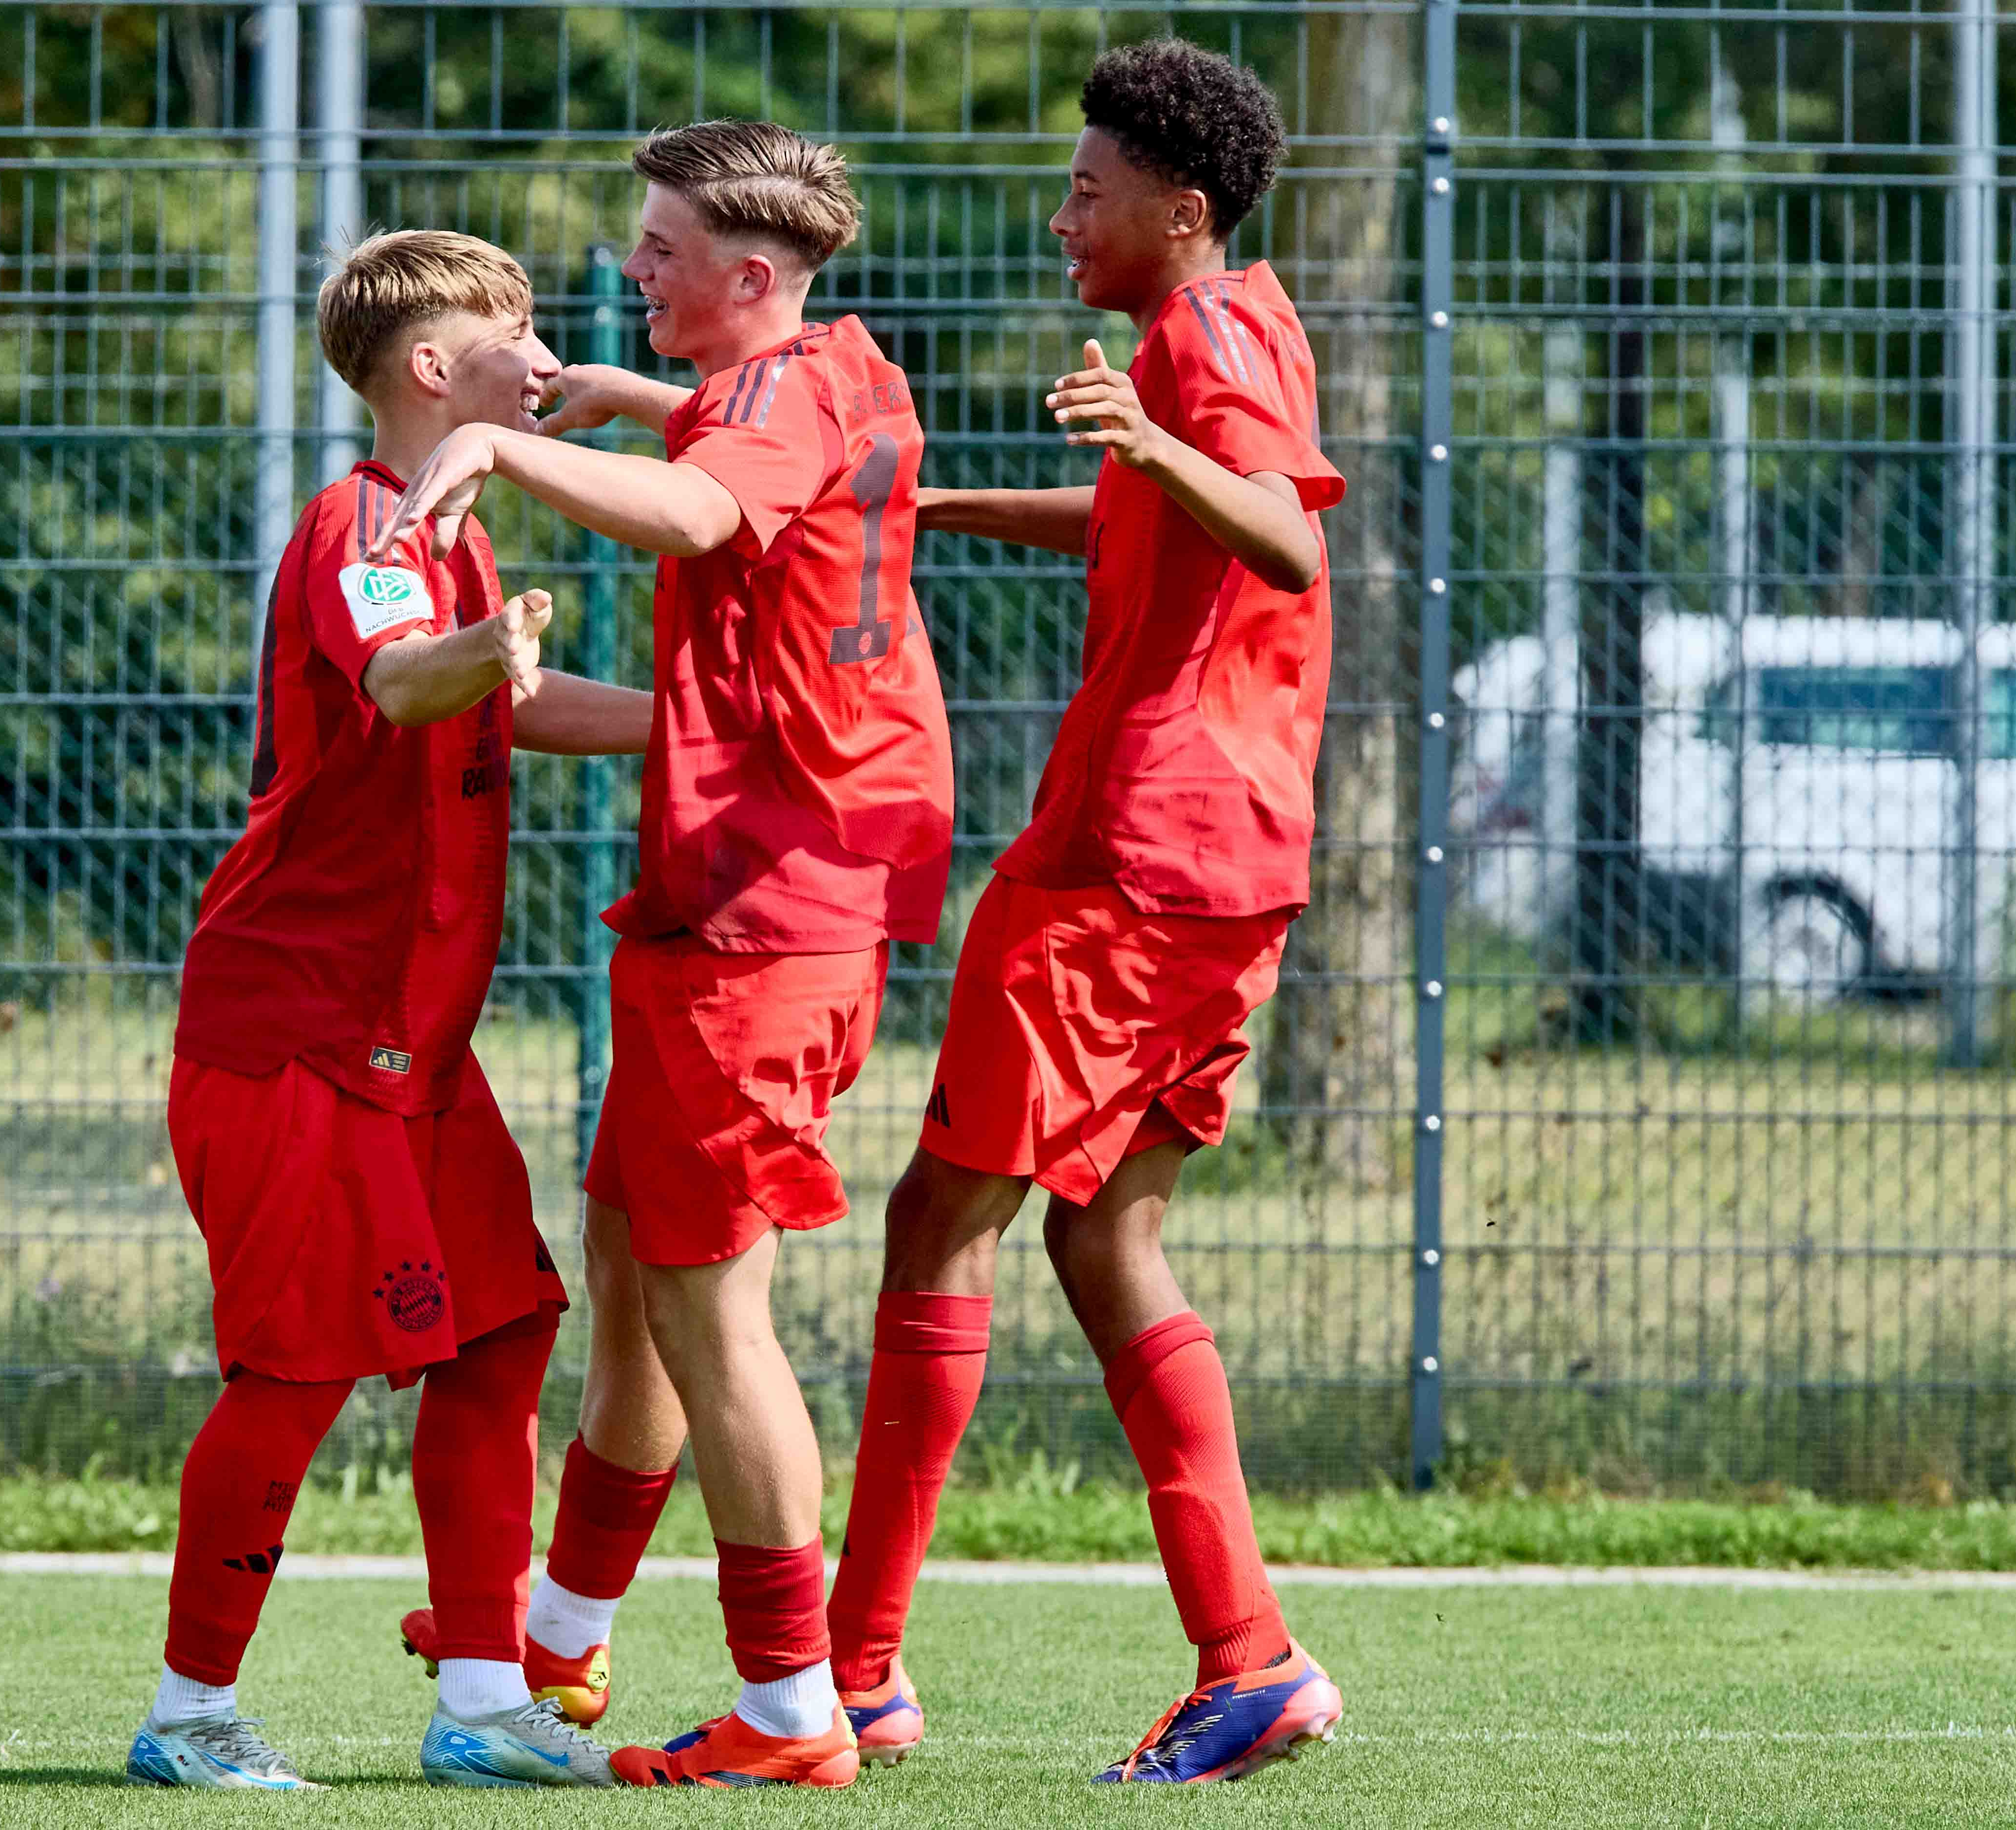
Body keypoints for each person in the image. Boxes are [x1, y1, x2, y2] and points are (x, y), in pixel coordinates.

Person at [370, 118, 954, 1791]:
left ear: (751, 278)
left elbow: (704, 513)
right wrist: (632, 405)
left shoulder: (762, 408)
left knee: (712, 1308)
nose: (635, 269)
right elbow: (741, 451)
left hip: (770, 910)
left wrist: (507, 458)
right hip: (745, 890)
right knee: (629, 1266)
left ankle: (793, 1706)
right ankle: (561, 1626)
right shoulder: (838, 367)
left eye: (664, 250)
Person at [818, 38, 1350, 1783]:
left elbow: (1278, 534)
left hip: (1133, 865)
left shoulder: (1192, 342)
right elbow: (1162, 523)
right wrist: (924, 512)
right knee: (1104, 1237)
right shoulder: (1243, 322)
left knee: (932, 1232)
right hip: (1234, 872)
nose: (1064, 221)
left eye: (1088, 195)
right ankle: (1249, 1658)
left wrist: (1141, 427)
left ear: (1179, 213)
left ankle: (852, 1678)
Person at [128, 229, 650, 1793]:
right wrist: (484, 649)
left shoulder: (466, 531)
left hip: (410, 1051)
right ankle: (188, 1718)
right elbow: (411, 679)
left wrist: (712, 730)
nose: (547, 354)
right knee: (292, 1375)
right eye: (520, 331)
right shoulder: (366, 523)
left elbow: (516, 696)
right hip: (291, 1036)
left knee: (501, 1334)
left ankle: (484, 1706)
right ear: (436, 368)